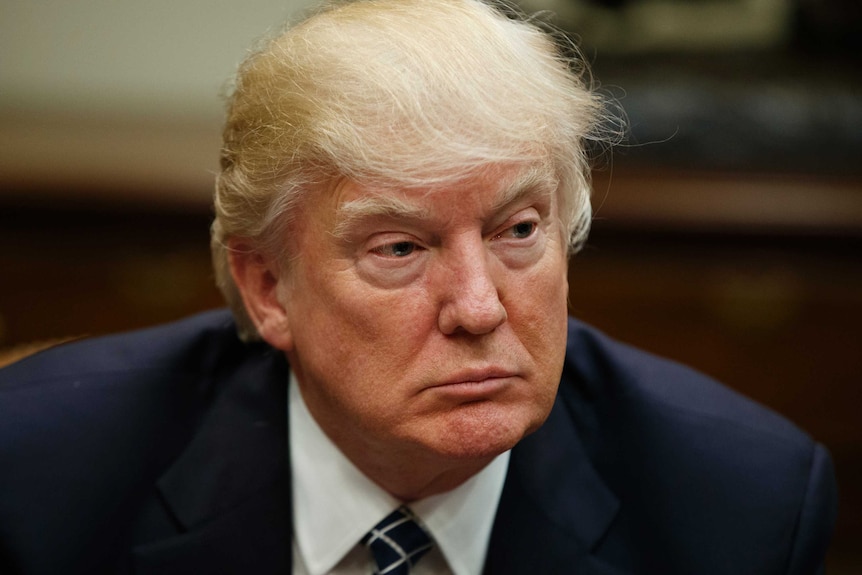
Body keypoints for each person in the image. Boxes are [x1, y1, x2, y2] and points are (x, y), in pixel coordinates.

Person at [0, 0, 837, 573]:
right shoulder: (40, 473)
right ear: (267, 288)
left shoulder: (739, 505)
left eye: (518, 231)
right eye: (400, 247)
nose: (479, 307)